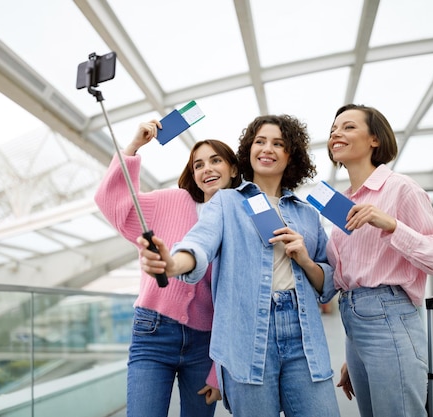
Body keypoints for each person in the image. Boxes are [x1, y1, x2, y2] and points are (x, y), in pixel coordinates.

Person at [138, 114, 341, 417]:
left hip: (303, 337)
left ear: (291, 154)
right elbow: (199, 243)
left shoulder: (308, 214)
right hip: (247, 338)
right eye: (260, 142)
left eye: (278, 143)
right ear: (248, 150)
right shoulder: (227, 202)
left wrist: (305, 260)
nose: (266, 149)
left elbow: (328, 283)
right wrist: (172, 263)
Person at [94, 120, 241, 417]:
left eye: (216, 160)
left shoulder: (241, 217)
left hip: (206, 344)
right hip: (153, 331)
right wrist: (134, 147)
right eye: (198, 165)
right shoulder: (171, 201)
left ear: (234, 169)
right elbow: (112, 203)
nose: (207, 169)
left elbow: (239, 302)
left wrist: (219, 371)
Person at [326, 104, 433, 417]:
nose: (336, 134)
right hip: (355, 323)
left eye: (348, 127)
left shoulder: (400, 188)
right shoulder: (340, 202)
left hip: (390, 315)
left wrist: (392, 225)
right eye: (333, 130)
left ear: (375, 139)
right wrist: (355, 350)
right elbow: (348, 274)